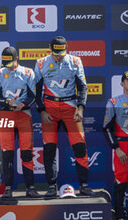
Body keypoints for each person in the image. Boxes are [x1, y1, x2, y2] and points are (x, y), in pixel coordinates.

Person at [34, 36, 94, 197]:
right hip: (50, 108)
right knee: (49, 148)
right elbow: (36, 89)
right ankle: (52, 185)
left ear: (67, 48)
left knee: (79, 146)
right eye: (55, 53)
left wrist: (80, 108)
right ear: (50, 48)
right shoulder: (41, 63)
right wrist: (42, 110)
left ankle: (84, 184)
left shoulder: (75, 61)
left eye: (61, 52)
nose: (58, 56)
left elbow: (82, 87)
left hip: (70, 107)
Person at [0, 46, 40, 198]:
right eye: (5, 63)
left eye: (10, 63)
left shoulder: (28, 73)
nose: (7, 67)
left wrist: (23, 104)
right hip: (6, 115)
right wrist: (7, 102)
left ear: (16, 59)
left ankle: (30, 188)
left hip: (24, 115)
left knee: (26, 153)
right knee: (7, 154)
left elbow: (33, 95)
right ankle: (8, 188)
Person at [103, 71, 128, 220]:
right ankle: (120, 217)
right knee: (121, 184)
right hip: (123, 147)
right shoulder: (113, 102)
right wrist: (116, 148)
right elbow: (107, 128)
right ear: (122, 84)